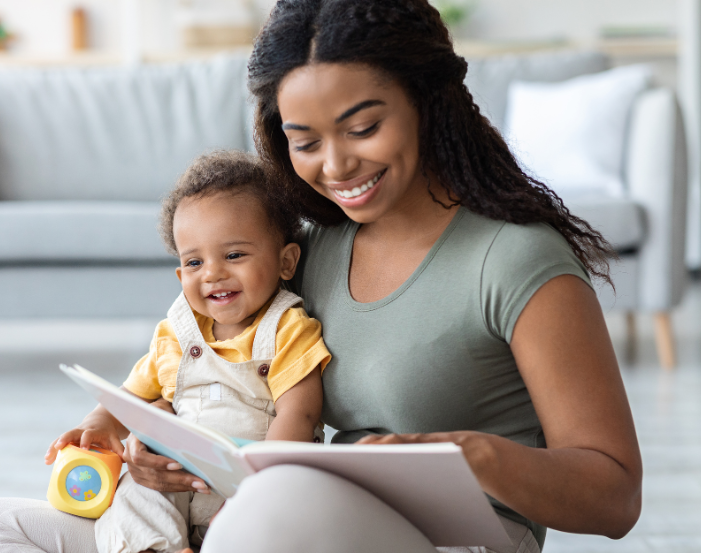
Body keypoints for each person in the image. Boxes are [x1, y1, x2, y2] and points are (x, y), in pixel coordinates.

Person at [197, 1, 643, 552]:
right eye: (306, 142)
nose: (334, 166)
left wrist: (467, 454)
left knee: (267, 513)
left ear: (426, 101)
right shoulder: (312, 250)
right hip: (326, 519)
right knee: (61, 529)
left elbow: (616, 496)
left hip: (464, 537)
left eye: (362, 128)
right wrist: (180, 456)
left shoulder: (516, 259)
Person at [0, 151, 330, 553]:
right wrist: (99, 425)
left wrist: (252, 490)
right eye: (194, 261)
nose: (213, 272)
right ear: (180, 274)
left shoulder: (287, 328)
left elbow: (300, 414)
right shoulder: (176, 334)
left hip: (250, 494)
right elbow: (131, 399)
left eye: (234, 255)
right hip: (174, 492)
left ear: (286, 261)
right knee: (132, 492)